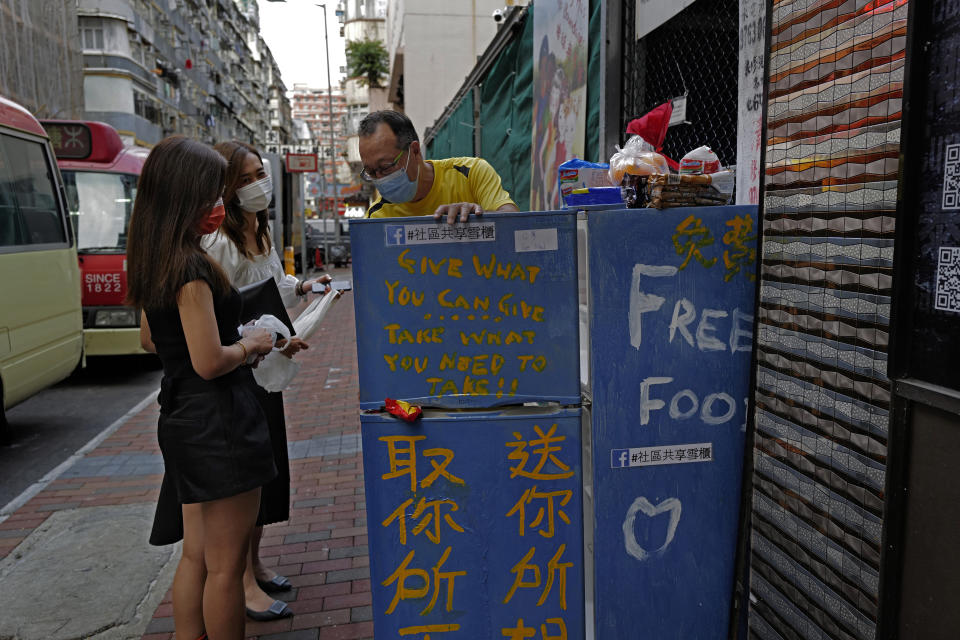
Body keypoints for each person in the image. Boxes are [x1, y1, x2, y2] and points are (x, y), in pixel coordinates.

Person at [127, 135, 277, 640]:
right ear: (185, 194)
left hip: (182, 418)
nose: (220, 203)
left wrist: (231, 340)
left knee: (195, 554)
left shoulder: (155, 258)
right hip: (220, 421)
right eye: (213, 192)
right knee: (224, 564)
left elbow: (153, 338)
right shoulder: (192, 268)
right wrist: (252, 343)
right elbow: (210, 362)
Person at [205, 140, 331, 620]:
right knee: (244, 482)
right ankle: (238, 582)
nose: (260, 183)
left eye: (261, 172)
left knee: (266, 473)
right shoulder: (216, 241)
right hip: (239, 370)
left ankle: (254, 563)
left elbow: (270, 285)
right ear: (225, 187)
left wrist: (303, 288)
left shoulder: (260, 228)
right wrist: (274, 341)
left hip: (266, 371)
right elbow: (221, 314)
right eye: (248, 176)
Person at [358, 110, 519, 222]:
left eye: (386, 167)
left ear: (414, 151)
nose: (380, 180)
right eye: (371, 172)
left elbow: (514, 221)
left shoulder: (471, 173)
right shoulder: (377, 217)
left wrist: (478, 217)